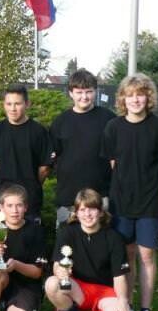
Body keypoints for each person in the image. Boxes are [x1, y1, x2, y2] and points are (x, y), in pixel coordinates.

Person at [102, 73, 158, 311]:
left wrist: (148, 184)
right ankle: (127, 306)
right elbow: (113, 164)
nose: (135, 100)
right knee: (127, 254)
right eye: (130, 95)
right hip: (122, 202)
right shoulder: (113, 128)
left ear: (148, 97)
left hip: (151, 202)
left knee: (146, 255)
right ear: (123, 99)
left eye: (140, 95)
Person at [45, 188, 130, 311]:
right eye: (83, 210)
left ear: (101, 212)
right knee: (51, 284)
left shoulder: (114, 238)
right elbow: (57, 264)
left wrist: (123, 302)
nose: (87, 214)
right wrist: (60, 271)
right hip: (79, 289)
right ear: (76, 213)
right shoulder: (67, 232)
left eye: (92, 209)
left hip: (105, 291)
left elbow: (120, 276)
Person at [49, 69, 116, 227]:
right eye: (79, 92)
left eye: (89, 92)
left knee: (101, 240)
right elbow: (53, 158)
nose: (84, 97)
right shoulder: (60, 122)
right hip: (67, 199)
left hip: (101, 197)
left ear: (95, 91)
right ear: (71, 93)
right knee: (66, 240)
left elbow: (117, 157)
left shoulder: (109, 119)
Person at [0, 84, 51, 222]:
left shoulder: (39, 132)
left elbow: (44, 168)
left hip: (29, 201)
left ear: (27, 104)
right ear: (4, 105)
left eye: (17, 104)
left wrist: (30, 184)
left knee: (29, 236)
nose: (13, 108)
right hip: (0, 201)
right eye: (9, 104)